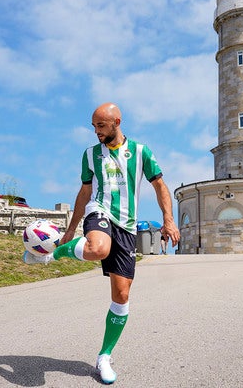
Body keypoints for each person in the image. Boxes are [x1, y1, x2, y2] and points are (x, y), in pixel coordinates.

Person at [23, 102, 180, 384]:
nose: (96, 131)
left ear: (116, 122)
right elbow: (85, 193)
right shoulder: (90, 154)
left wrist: (168, 220)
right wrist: (71, 229)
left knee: (121, 297)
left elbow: (159, 185)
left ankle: (104, 356)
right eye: (94, 125)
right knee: (97, 248)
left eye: (101, 125)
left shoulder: (142, 152)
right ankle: (51, 255)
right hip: (100, 212)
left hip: (128, 226)